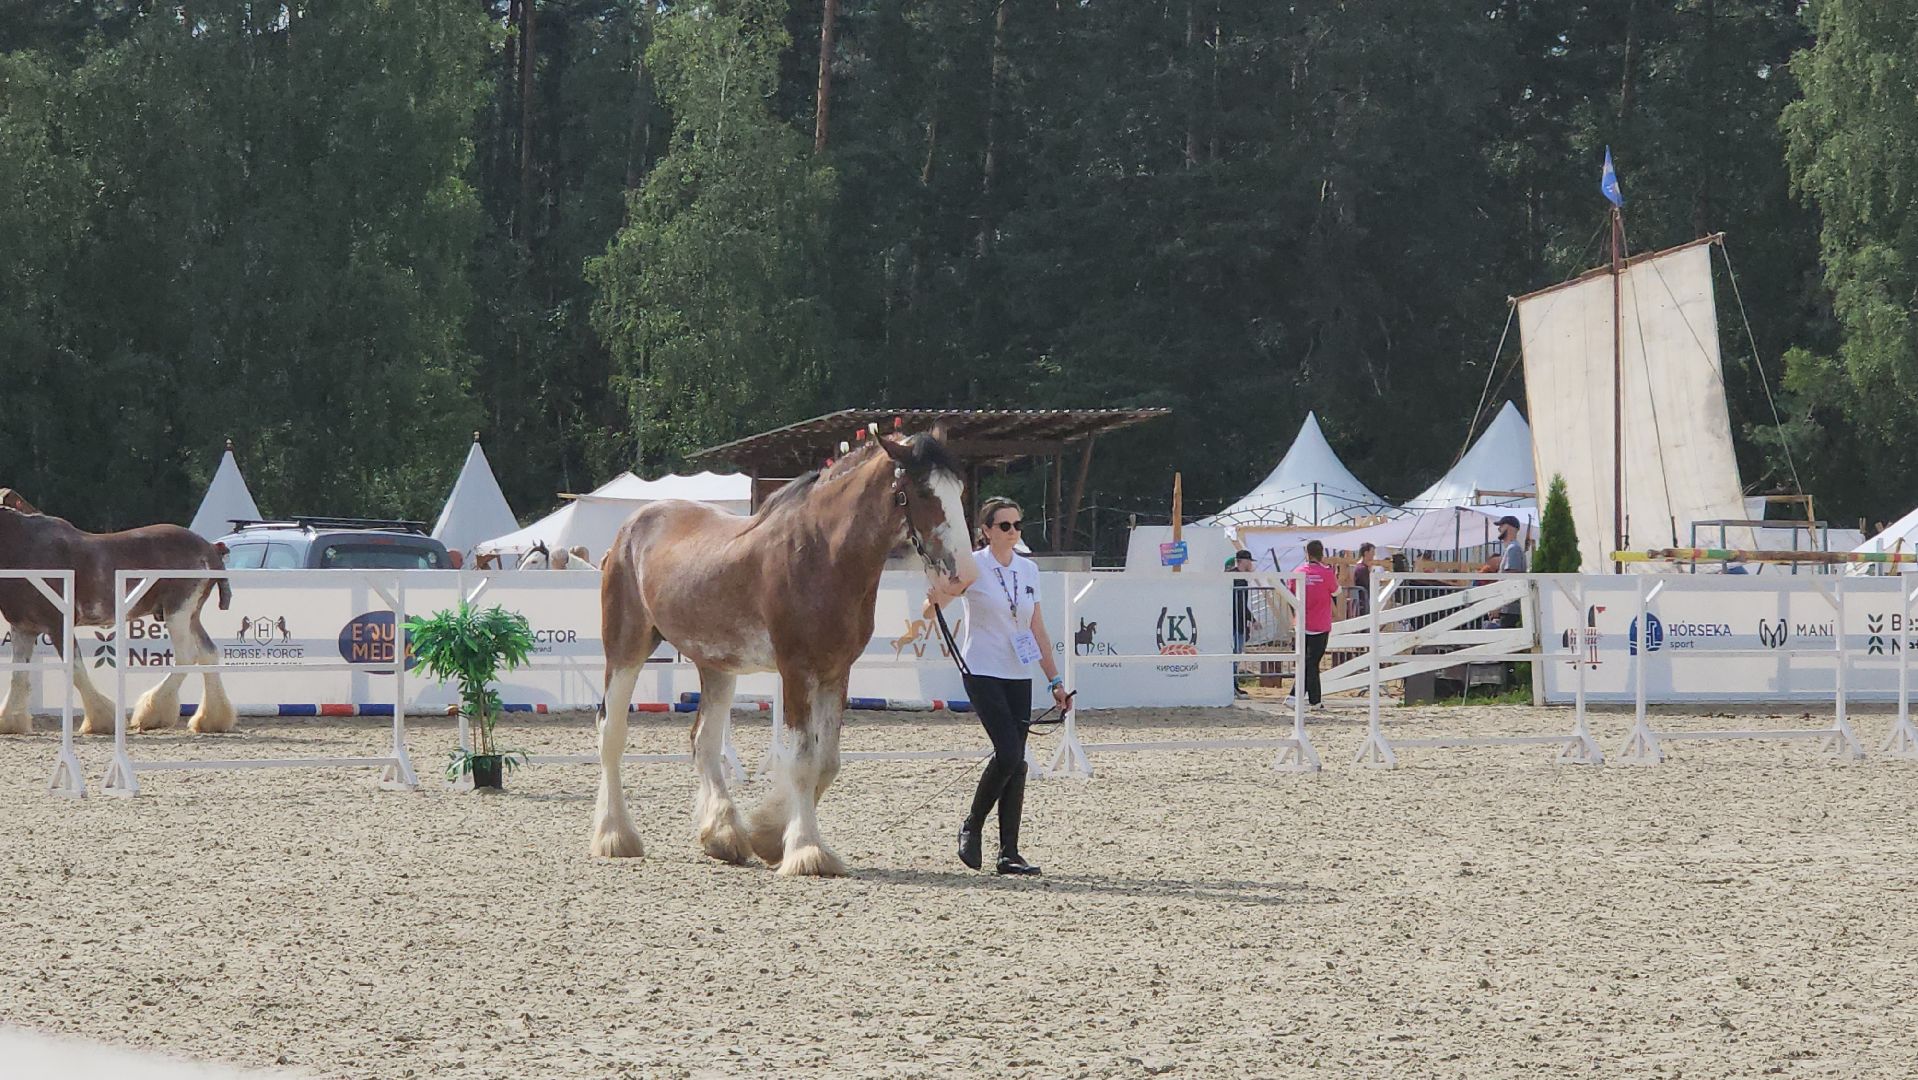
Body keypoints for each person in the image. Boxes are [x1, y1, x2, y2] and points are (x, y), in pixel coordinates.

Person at [929, 497, 1068, 876]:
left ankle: (1009, 852)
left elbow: (1037, 628)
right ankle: (972, 825)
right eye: (1004, 526)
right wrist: (945, 584)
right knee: (1008, 753)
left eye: (1017, 525)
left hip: (1018, 673)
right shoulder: (974, 566)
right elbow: (935, 605)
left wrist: (1055, 681)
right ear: (986, 531)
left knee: (1017, 763)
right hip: (982, 669)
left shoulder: (1028, 570)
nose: (1012, 532)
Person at [1285, 540, 1338, 708]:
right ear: (1322, 553)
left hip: (1301, 624)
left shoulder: (1298, 571)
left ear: (1306, 553)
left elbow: (1290, 594)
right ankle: (1297, 697)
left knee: (1308, 663)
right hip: (1321, 624)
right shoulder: (1326, 573)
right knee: (1311, 663)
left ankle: (1313, 700)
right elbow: (1337, 591)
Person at [1228, 549, 1261, 697]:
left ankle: (1232, 686)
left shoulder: (1232, 576)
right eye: (1249, 561)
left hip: (1234, 622)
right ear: (1244, 561)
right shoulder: (1238, 579)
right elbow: (1239, 604)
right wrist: (1252, 620)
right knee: (1234, 656)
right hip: (1235, 623)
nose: (1251, 565)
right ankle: (1232, 686)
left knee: (1234, 656)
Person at [1485, 515, 1527, 628]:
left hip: (1510, 608)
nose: (1499, 529)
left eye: (1501, 526)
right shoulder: (1511, 549)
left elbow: (1511, 581)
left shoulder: (1513, 549)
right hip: (1508, 607)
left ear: (1509, 527)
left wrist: (1498, 605)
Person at [1350, 542, 1376, 618]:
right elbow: (1366, 584)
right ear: (1366, 553)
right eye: (1372, 552)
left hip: (1363, 601)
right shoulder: (1362, 569)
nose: (1374, 555)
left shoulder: (1362, 568)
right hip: (1363, 602)